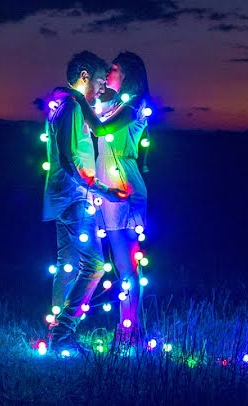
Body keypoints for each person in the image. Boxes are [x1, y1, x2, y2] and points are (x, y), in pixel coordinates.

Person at [43, 51, 128, 356]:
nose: (102, 88)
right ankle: (63, 332)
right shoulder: (70, 108)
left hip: (65, 197)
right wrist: (102, 191)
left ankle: (56, 337)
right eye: (99, 81)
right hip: (74, 198)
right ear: (83, 76)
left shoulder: (64, 105)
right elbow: (68, 159)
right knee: (93, 265)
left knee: (66, 268)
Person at [93, 51, 151, 342]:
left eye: (113, 68)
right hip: (109, 183)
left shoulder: (134, 105)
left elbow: (102, 128)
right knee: (121, 263)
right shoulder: (114, 104)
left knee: (126, 263)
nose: (108, 72)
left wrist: (79, 101)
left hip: (122, 185)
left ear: (127, 74)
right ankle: (128, 328)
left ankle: (130, 330)